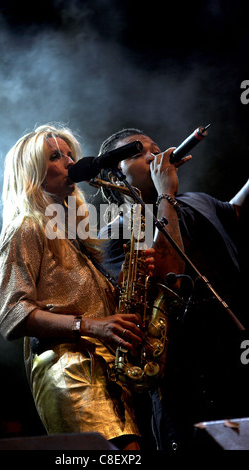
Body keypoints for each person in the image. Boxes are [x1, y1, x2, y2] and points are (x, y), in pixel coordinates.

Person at [0, 123, 157, 451]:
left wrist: (127, 281)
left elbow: (82, 300)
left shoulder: (73, 232)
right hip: (69, 369)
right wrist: (91, 326)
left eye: (70, 155)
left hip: (104, 368)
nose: (70, 163)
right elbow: (11, 313)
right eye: (56, 156)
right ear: (32, 172)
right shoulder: (26, 226)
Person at [96, 127, 249, 450]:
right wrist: (164, 193)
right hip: (187, 378)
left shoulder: (196, 201)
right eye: (138, 153)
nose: (154, 155)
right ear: (114, 175)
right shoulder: (117, 230)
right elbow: (170, 279)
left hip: (235, 353)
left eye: (154, 148)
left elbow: (235, 213)